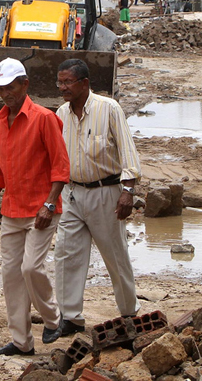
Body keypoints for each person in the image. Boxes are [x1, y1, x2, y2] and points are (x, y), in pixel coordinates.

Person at [0, 58, 70, 356]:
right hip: (11, 211)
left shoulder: (45, 118)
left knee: (31, 267)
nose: (5, 94)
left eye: (10, 87)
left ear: (25, 84)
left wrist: (49, 203)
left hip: (42, 210)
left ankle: (54, 319)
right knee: (11, 275)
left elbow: (61, 167)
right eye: (0, 89)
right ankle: (21, 342)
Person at [54, 59, 142, 336]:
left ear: (84, 84)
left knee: (115, 257)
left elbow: (128, 153)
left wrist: (128, 192)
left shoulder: (109, 109)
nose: (63, 88)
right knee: (66, 253)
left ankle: (129, 312)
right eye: (60, 82)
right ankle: (70, 318)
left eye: (68, 82)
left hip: (106, 193)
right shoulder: (60, 114)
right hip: (72, 194)